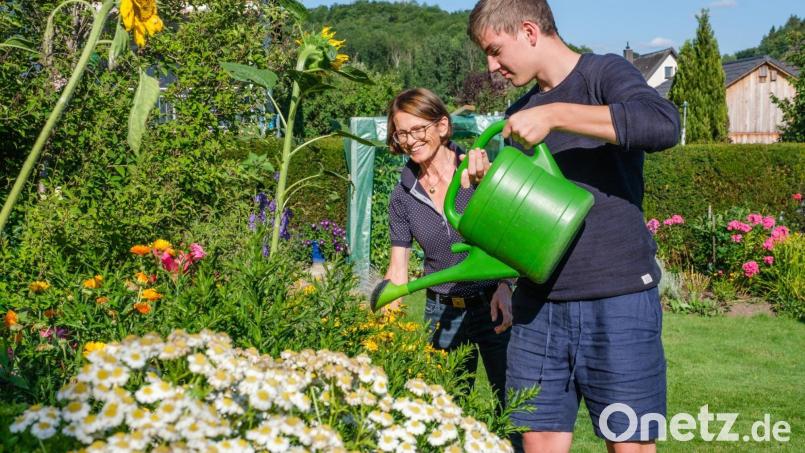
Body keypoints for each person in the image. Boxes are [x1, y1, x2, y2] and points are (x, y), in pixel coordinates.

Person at [462, 1, 681, 452]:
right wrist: (504, 274)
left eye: (495, 50)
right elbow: (522, 216)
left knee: (631, 444)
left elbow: (662, 125)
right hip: (538, 308)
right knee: (536, 442)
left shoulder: (604, 74)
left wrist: (555, 114)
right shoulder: (520, 113)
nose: (491, 65)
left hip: (618, 299)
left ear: (528, 30)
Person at [383, 87, 513, 408]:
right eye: (402, 134)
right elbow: (398, 268)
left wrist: (506, 285)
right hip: (441, 311)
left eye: (417, 129)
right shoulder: (402, 196)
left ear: (441, 127)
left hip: (493, 304)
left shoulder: (476, 170)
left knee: (513, 406)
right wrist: (383, 313)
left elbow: (508, 237)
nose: (410, 140)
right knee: (445, 409)